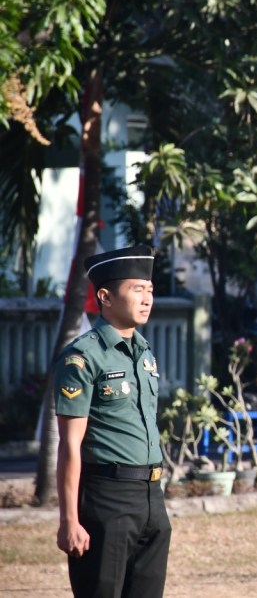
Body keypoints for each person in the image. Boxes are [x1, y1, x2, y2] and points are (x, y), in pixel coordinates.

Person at [53, 245, 172, 597]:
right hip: (107, 499)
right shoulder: (82, 357)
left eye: (150, 290)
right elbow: (70, 444)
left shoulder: (143, 351)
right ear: (105, 296)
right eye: (137, 289)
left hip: (152, 497)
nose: (147, 298)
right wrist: (69, 521)